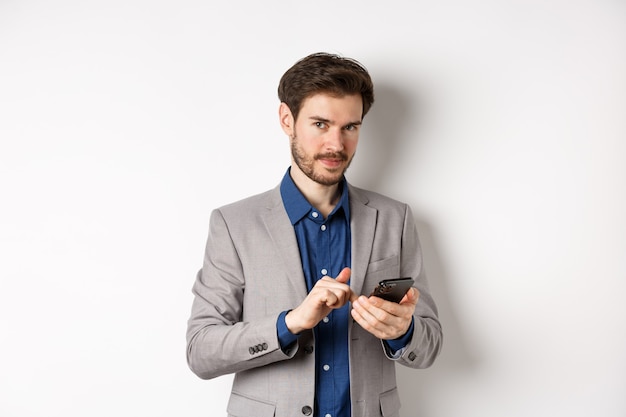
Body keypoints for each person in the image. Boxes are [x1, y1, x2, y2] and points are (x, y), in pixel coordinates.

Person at [186, 52, 442, 417]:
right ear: (286, 120)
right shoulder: (233, 224)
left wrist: (402, 331)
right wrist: (291, 322)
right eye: (320, 124)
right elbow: (200, 351)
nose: (336, 145)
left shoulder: (394, 218)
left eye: (350, 127)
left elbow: (430, 347)